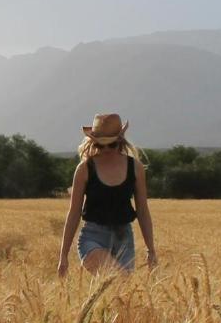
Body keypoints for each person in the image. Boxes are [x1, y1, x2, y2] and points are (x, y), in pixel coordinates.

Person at [57, 113, 157, 276]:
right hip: (93, 238)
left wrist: (151, 249)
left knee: (121, 297)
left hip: (124, 239)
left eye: (111, 145)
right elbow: (74, 212)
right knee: (118, 279)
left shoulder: (135, 168)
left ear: (120, 141)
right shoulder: (84, 169)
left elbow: (143, 210)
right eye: (100, 145)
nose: (105, 150)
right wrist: (63, 255)